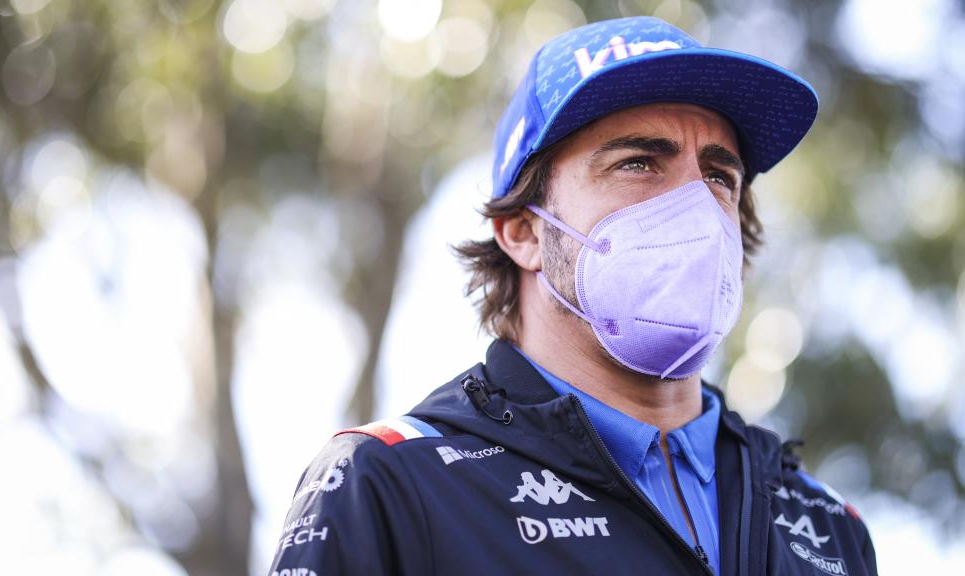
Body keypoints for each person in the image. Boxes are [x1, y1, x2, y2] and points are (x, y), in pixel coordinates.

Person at [268, 16, 878, 576]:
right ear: (524, 232)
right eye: (639, 163)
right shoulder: (391, 484)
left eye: (719, 175)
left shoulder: (827, 527)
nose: (696, 204)